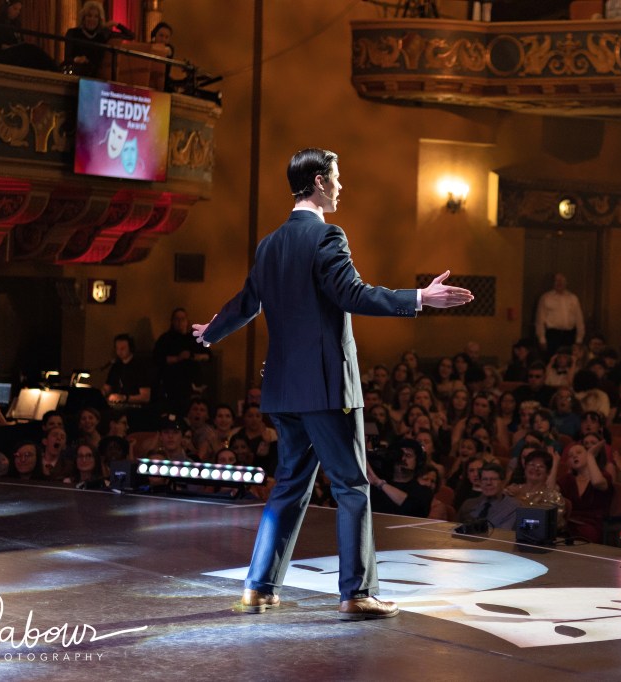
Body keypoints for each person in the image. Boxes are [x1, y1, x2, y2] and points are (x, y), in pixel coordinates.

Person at [191, 148, 472, 621]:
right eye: (338, 178)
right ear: (320, 182)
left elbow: (246, 301)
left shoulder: (270, 244)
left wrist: (212, 332)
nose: (342, 187)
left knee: (289, 489)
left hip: (283, 390)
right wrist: (419, 297)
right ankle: (358, 593)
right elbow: (353, 295)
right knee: (351, 487)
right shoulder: (327, 237)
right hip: (326, 389)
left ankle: (259, 588)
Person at [153, 307, 211, 412]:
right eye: (177, 319)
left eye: (183, 319)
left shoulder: (195, 338)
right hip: (172, 384)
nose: (180, 322)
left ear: (187, 321)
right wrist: (177, 358)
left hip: (193, 384)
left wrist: (193, 356)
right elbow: (157, 359)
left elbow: (208, 356)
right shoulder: (165, 339)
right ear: (172, 321)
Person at [0, 0, 57, 71]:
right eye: (15, 9)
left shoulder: (16, 24)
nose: (17, 12)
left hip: (14, 53)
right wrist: (2, 46)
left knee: (32, 51)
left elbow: (20, 41)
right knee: (30, 49)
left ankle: (53, 68)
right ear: (7, 7)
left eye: (19, 10)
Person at [369, 438, 434, 519]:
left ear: (418, 461)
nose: (402, 459)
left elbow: (416, 510)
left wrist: (380, 484)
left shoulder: (423, 491)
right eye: (399, 455)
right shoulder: (375, 486)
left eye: (408, 455)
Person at [63, 1, 122, 77]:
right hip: (73, 73)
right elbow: (67, 58)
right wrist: (77, 59)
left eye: (96, 17)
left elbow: (130, 36)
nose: (92, 19)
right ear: (84, 18)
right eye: (89, 16)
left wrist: (115, 24)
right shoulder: (73, 33)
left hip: (93, 77)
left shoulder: (102, 36)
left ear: (99, 20)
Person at [535, 273, 585, 357]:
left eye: (562, 281)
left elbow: (579, 319)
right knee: (552, 358)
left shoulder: (573, 298)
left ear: (566, 283)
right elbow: (540, 320)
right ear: (553, 283)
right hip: (552, 335)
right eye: (557, 280)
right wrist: (542, 339)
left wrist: (579, 339)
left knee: (569, 360)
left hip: (569, 335)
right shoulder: (546, 298)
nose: (559, 283)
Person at [456, 462, 519, 530]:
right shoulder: (468, 505)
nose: (488, 483)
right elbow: (454, 529)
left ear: (503, 482)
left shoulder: (513, 507)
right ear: (480, 482)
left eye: (494, 479)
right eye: (484, 479)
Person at [102, 334, 153, 407]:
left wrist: (124, 398)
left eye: (122, 348)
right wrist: (102, 393)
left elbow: (146, 397)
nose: (119, 352)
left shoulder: (140, 367)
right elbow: (107, 387)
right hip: (117, 406)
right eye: (117, 348)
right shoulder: (116, 366)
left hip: (134, 409)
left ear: (131, 348)